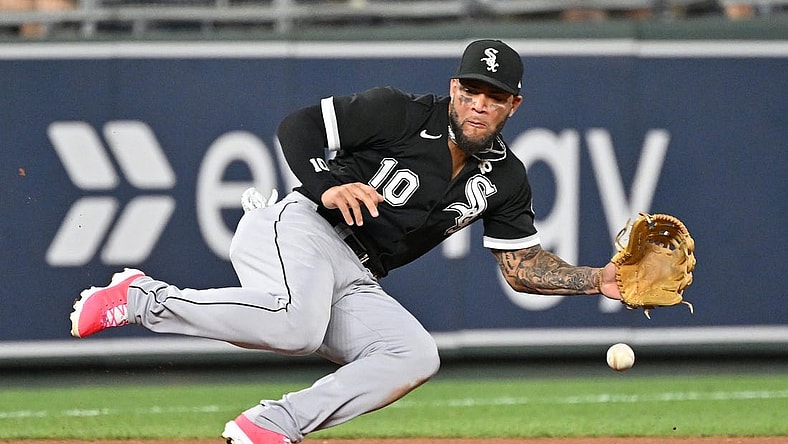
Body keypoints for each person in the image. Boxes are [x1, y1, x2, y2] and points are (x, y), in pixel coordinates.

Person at [70, 39, 623, 444]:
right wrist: (329, 183)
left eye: (494, 95)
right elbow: (298, 127)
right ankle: (142, 298)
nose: (480, 103)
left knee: (414, 354)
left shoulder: (507, 177)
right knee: (296, 324)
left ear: (513, 106)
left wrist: (599, 279)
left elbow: (520, 266)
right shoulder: (401, 113)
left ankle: (276, 423)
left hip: (355, 273)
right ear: (455, 89)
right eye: (472, 89)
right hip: (298, 225)